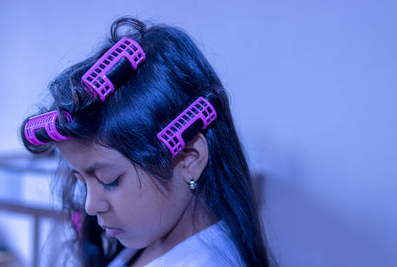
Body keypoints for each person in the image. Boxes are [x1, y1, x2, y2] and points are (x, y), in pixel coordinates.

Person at [20, 17, 273, 267]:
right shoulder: (151, 239)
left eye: (110, 180)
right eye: (82, 182)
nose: (90, 206)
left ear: (189, 158)